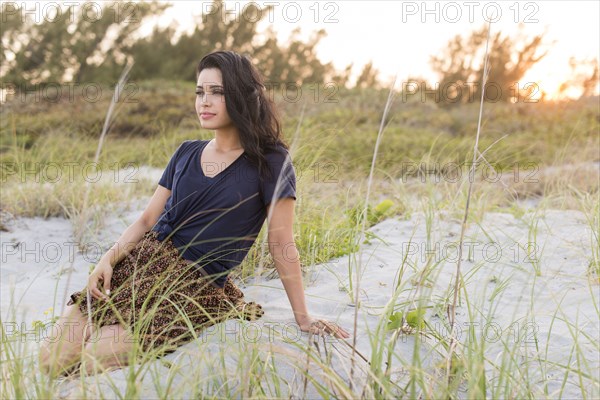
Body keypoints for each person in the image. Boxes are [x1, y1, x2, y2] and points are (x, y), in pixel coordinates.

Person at [39, 50, 350, 378]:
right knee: (51, 360)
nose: (205, 101)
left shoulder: (271, 161)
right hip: (136, 268)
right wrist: (108, 259)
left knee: (93, 357)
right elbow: (146, 220)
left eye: (217, 92)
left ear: (242, 96)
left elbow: (281, 242)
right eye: (200, 92)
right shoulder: (186, 152)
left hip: (191, 286)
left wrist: (303, 316)